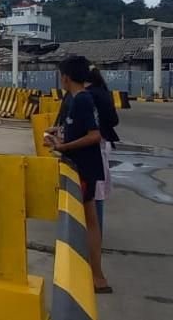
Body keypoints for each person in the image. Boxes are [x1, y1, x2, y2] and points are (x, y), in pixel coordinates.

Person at [44, 56, 111, 293]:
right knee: (88, 220)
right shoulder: (79, 99)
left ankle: (97, 276)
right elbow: (80, 134)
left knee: (88, 221)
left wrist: (63, 147)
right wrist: (59, 141)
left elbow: (94, 135)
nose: (60, 79)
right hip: (81, 165)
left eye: (60, 75)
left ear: (66, 77)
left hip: (84, 168)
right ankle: (96, 275)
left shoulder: (82, 100)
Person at [85, 66, 120, 237]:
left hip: (95, 146)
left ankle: (95, 233)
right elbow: (114, 120)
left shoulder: (89, 95)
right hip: (105, 143)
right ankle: (96, 231)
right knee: (98, 190)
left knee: (95, 191)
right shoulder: (104, 92)